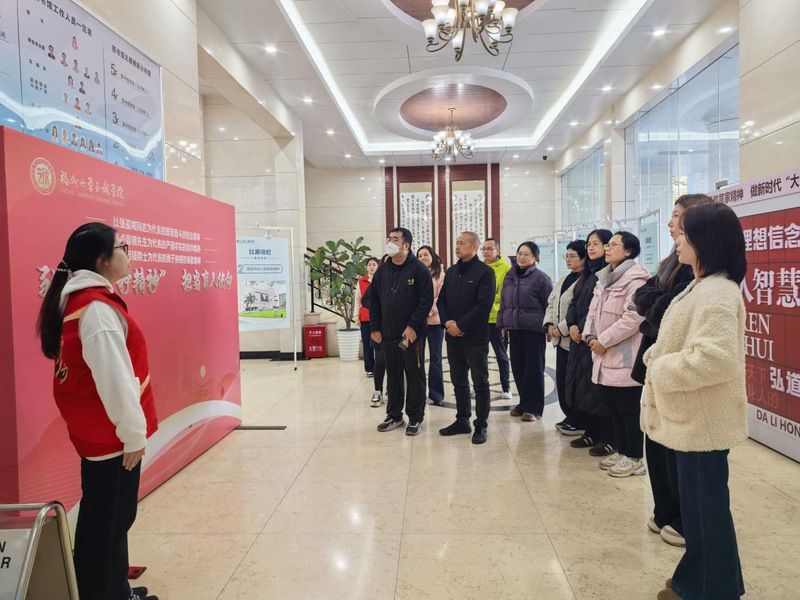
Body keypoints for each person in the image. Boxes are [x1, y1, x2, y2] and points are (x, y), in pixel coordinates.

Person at [36, 223, 159, 600]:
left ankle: (110, 589)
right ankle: (106, 593)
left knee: (101, 517)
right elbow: (115, 381)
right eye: (122, 248)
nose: (128, 255)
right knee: (111, 521)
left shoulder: (78, 301)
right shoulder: (96, 310)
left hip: (96, 432)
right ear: (102, 259)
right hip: (112, 436)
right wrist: (133, 436)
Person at [643, 203, 748, 600]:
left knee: (705, 512)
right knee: (703, 511)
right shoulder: (702, 285)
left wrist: (659, 367)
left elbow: (716, 359)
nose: (676, 238)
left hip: (701, 422)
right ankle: (710, 582)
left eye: (683, 233)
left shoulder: (716, 292)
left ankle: (707, 589)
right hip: (691, 418)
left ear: (705, 240)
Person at [633, 194, 714, 549]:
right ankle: (664, 509)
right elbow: (644, 296)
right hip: (659, 364)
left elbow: (664, 307)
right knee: (656, 443)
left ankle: (681, 517)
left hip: (674, 368)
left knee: (675, 447)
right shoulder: (672, 261)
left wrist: (655, 303)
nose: (670, 224)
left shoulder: (707, 277)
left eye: (678, 216)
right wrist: (655, 303)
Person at [583, 231, 649, 477]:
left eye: (614, 245)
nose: (608, 248)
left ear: (628, 251)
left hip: (624, 355)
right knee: (613, 408)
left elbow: (633, 318)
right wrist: (591, 336)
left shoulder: (636, 279)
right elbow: (593, 311)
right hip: (603, 353)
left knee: (628, 410)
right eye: (608, 245)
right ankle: (623, 451)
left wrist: (603, 340)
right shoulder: (605, 278)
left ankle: (635, 457)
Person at [370, 228, 433, 435]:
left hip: (411, 335)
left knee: (414, 375)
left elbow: (425, 301)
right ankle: (395, 415)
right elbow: (374, 300)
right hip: (387, 333)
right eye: (389, 238)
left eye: (395, 239)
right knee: (393, 374)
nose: (389, 241)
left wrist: (413, 326)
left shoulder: (418, 269)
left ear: (406, 246)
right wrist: (375, 327)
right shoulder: (383, 270)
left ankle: (415, 417)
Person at [437, 232, 495, 443]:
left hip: (475, 337)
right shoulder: (452, 271)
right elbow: (441, 301)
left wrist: (460, 325)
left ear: (474, 247)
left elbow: (483, 306)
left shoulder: (485, 272)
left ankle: (481, 424)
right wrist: (448, 323)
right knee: (458, 380)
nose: (457, 246)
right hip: (453, 337)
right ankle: (462, 420)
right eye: (457, 242)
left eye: (462, 243)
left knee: (480, 382)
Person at [565, 229, 615, 456]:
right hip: (580, 340)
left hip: (595, 341)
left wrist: (585, 331)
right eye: (589, 244)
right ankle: (591, 432)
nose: (591, 247)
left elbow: (599, 312)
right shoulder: (586, 274)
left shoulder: (608, 274)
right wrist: (571, 325)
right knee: (584, 389)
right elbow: (574, 304)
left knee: (600, 392)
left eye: (596, 243)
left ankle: (608, 437)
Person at [497, 242, 553, 421]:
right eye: (519, 253)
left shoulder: (541, 278)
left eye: (526, 254)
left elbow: (549, 305)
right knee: (518, 367)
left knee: (533, 370)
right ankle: (523, 403)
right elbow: (504, 303)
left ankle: (534, 408)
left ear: (535, 258)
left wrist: (549, 326)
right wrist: (502, 324)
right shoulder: (510, 276)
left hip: (534, 330)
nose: (521, 257)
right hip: (515, 329)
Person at [544, 239, 586, 435]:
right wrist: (549, 325)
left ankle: (578, 419)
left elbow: (578, 311)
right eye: (566, 256)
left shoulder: (586, 280)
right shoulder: (564, 279)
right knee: (562, 380)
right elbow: (551, 303)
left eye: (572, 256)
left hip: (573, 340)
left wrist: (561, 329)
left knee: (574, 382)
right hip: (560, 342)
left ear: (583, 258)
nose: (568, 259)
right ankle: (569, 415)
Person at [481, 237, 512, 400]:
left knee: (501, 355)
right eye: (484, 249)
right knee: (479, 356)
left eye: (489, 249)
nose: (486, 252)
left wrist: (489, 297)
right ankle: (480, 386)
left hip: (497, 319)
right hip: (480, 319)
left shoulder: (506, 269)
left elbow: (507, 295)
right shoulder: (479, 268)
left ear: (497, 251)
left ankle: (506, 387)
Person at [416, 245, 445, 406]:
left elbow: (440, 297)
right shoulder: (415, 273)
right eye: (420, 255)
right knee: (417, 359)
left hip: (435, 323)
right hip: (418, 324)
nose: (422, 258)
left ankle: (436, 394)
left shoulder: (441, 274)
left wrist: (426, 311)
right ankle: (419, 393)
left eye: (425, 254)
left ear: (432, 256)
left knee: (436, 359)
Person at [360, 259, 387, 407]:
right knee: (380, 361)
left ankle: (393, 390)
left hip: (400, 330)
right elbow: (365, 300)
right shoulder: (378, 280)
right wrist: (379, 307)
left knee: (397, 362)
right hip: (379, 328)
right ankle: (378, 391)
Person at [357, 257, 380, 378]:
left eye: (374, 264)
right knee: (367, 343)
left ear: (378, 266)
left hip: (379, 318)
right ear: (366, 267)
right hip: (365, 317)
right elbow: (358, 300)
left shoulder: (382, 280)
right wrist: (356, 317)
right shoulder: (361, 281)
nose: (371, 267)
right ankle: (369, 368)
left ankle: (380, 367)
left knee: (379, 343)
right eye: (369, 265)